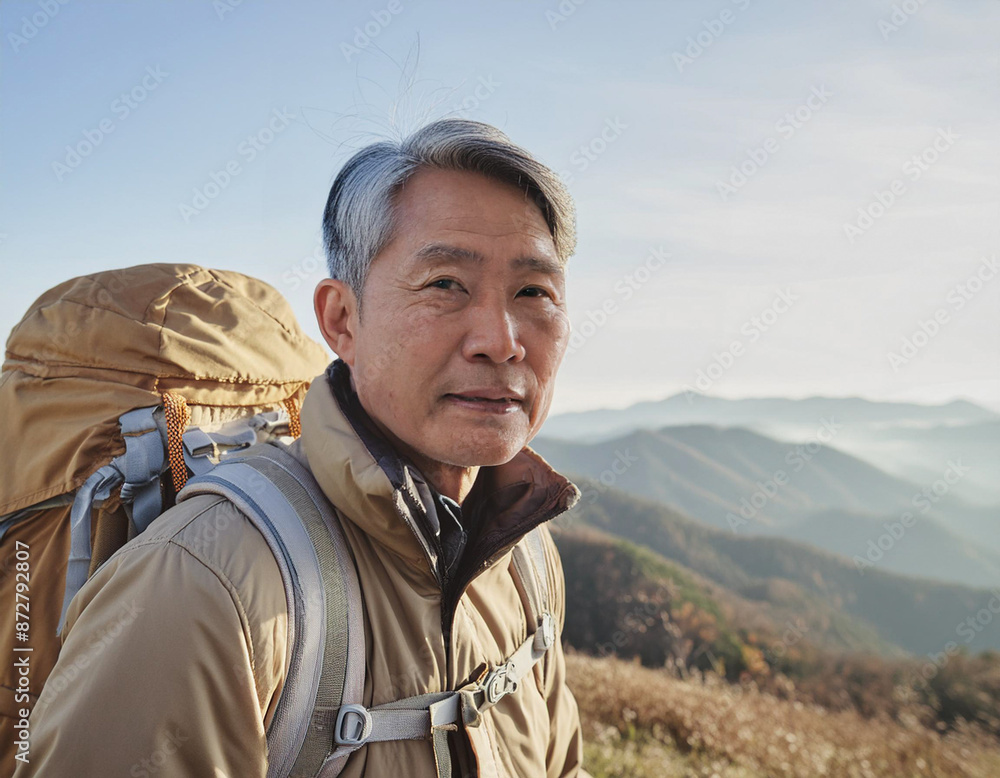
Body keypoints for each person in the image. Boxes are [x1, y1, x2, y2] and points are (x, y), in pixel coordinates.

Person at [17, 118, 591, 777]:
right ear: (343, 320)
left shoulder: (525, 553)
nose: (502, 338)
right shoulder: (206, 586)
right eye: (445, 285)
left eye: (533, 292)